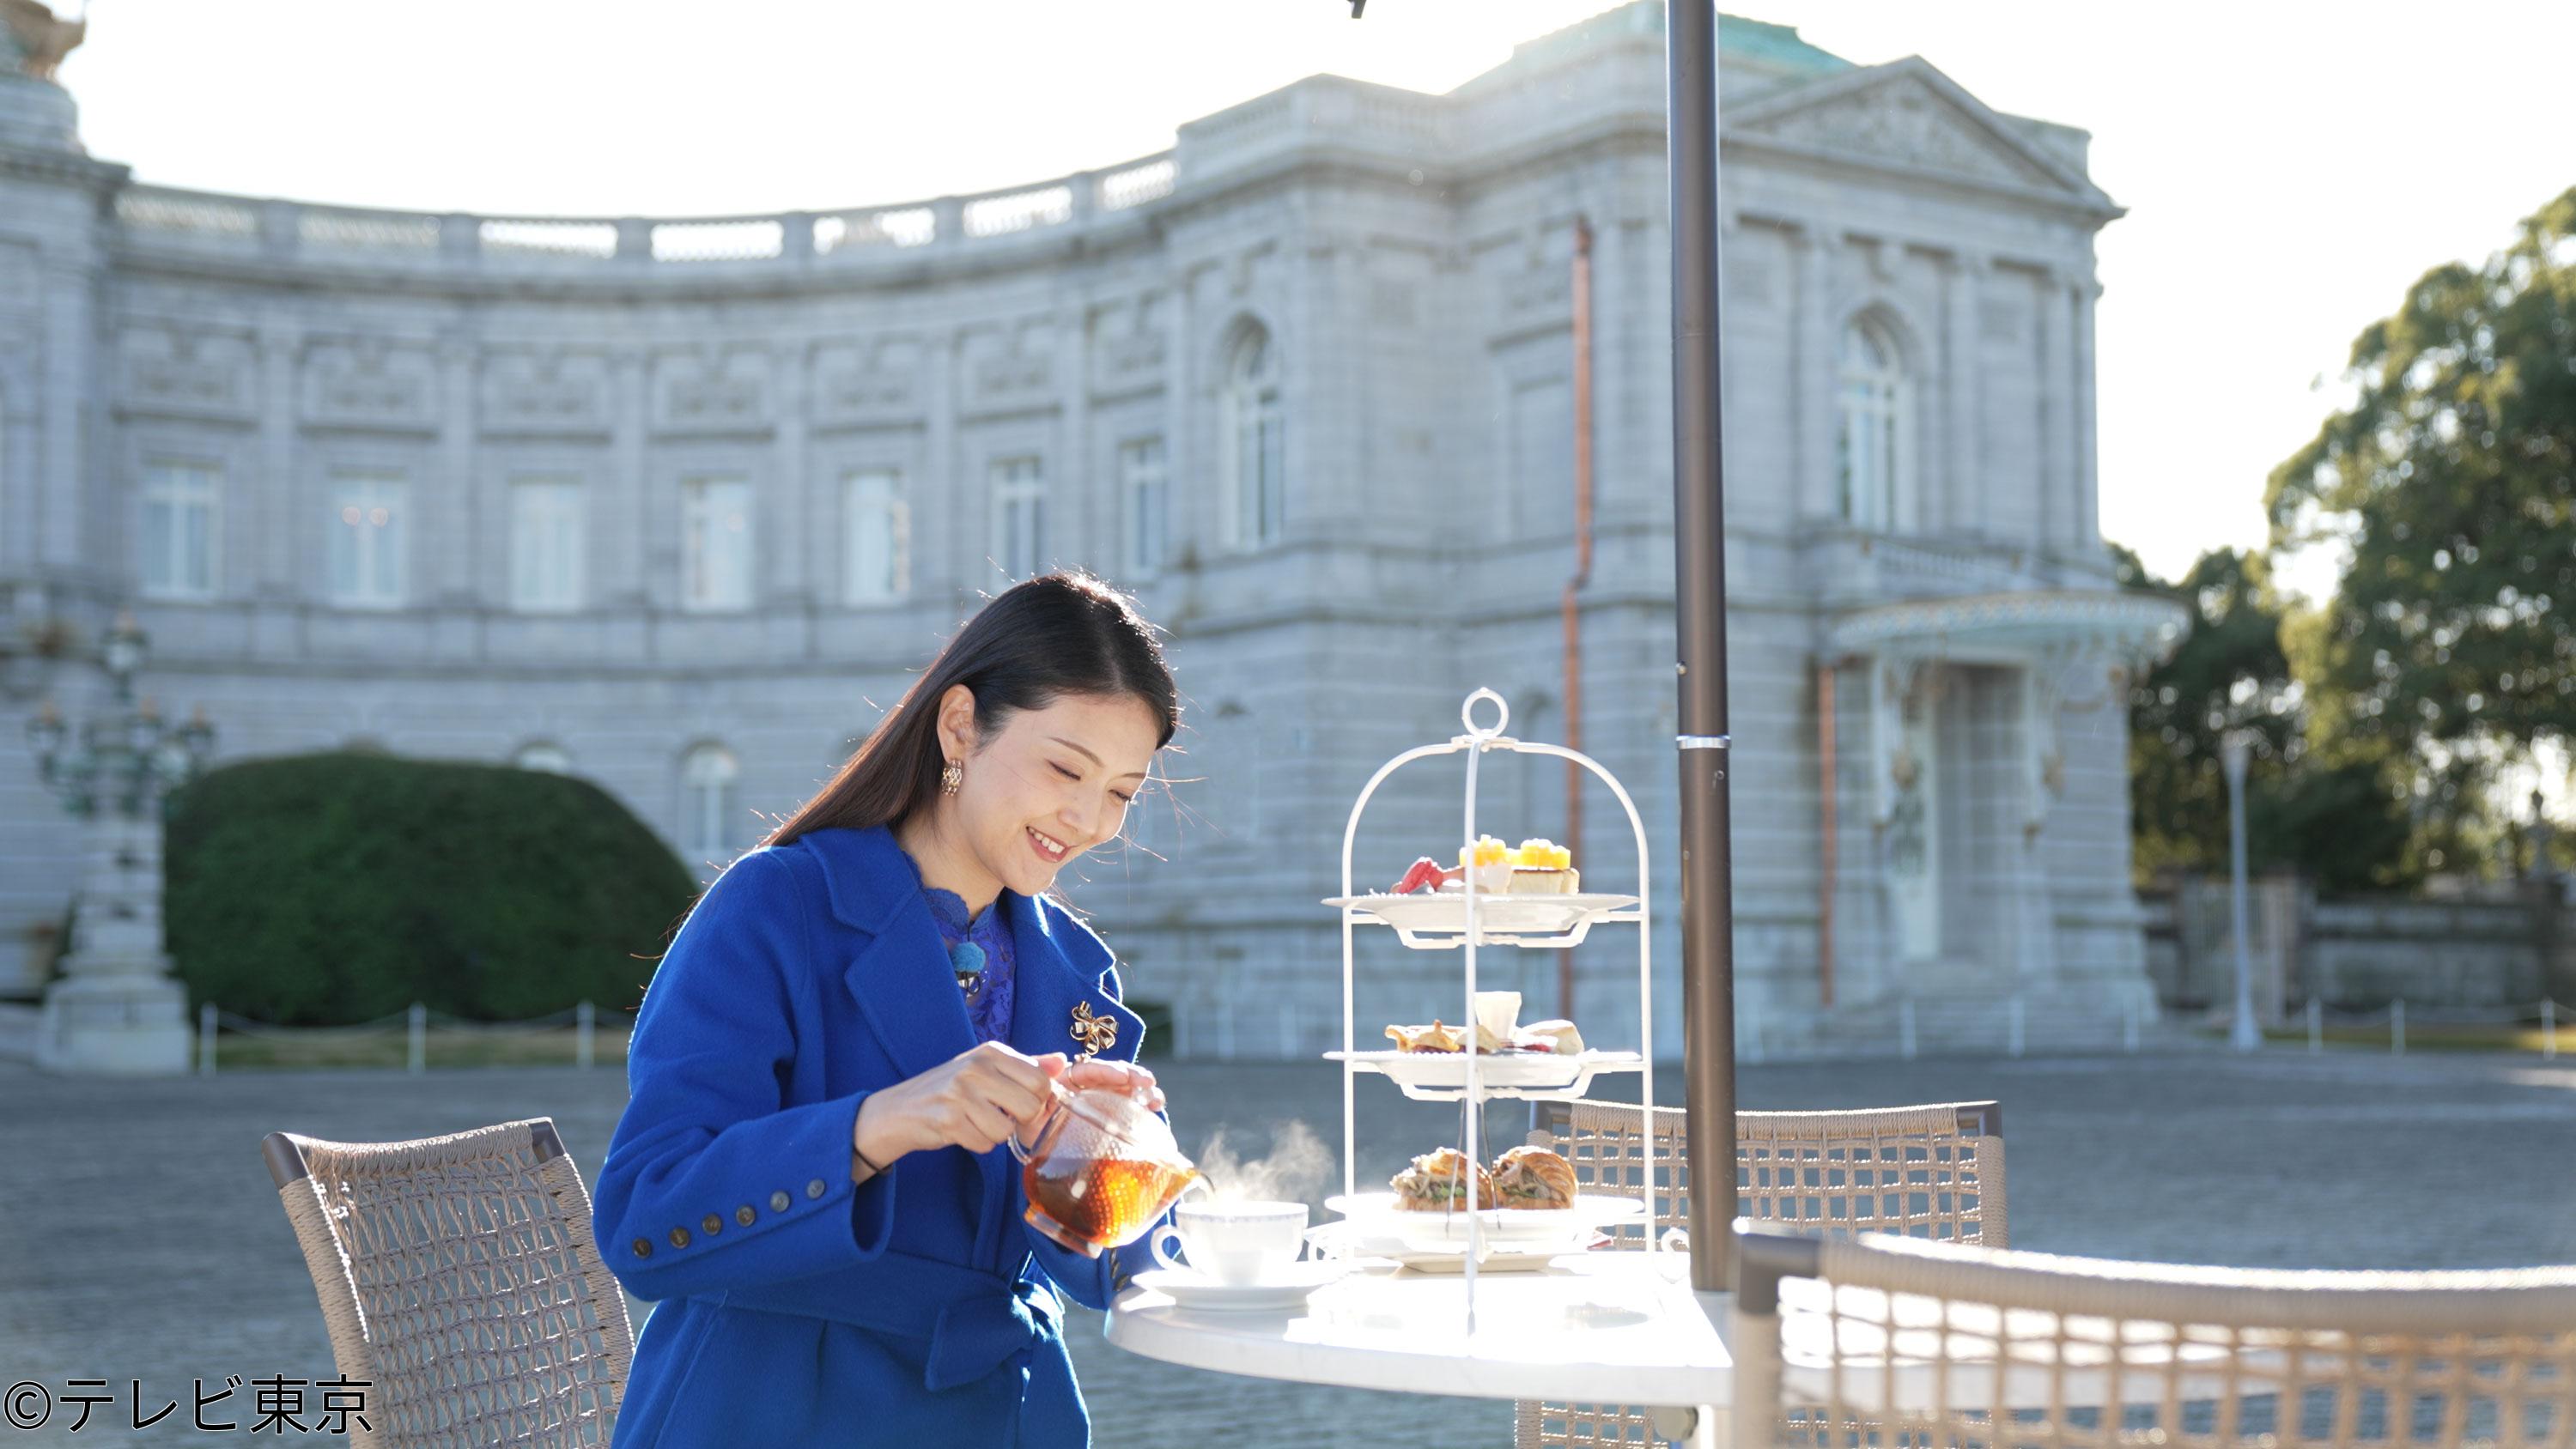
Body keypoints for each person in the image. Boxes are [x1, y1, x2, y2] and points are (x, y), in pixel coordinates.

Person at [594, 572, 1182, 1447]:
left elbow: (1130, 1270)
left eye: (1122, 791)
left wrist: (1115, 1164)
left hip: (1007, 1411)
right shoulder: (777, 904)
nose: (1089, 817)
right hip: (772, 1403)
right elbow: (645, 1216)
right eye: (1066, 767)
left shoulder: (1077, 970)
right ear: (959, 726)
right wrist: (877, 1125)